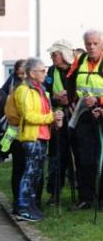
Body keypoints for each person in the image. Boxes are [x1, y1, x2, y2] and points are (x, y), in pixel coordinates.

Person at [12, 58, 63, 222]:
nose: (45, 73)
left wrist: (54, 117)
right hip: (31, 137)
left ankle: (31, 204)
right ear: (32, 73)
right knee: (30, 172)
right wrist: (51, 117)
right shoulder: (24, 90)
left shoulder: (39, 89)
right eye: (42, 70)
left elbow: (43, 111)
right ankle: (23, 206)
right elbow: (28, 115)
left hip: (42, 135)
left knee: (37, 173)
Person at [69, 29, 103, 209]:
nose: (91, 47)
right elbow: (71, 82)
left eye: (95, 43)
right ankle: (86, 197)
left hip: (101, 114)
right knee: (84, 157)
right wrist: (71, 100)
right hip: (83, 115)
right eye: (88, 43)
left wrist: (99, 102)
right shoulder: (80, 60)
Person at [44, 40, 75, 206]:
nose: (52, 56)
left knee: (77, 157)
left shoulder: (76, 70)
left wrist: (70, 95)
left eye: (54, 54)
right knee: (56, 157)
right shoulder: (50, 71)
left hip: (76, 117)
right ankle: (54, 194)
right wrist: (54, 97)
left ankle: (80, 193)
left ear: (63, 54)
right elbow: (44, 93)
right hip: (57, 120)